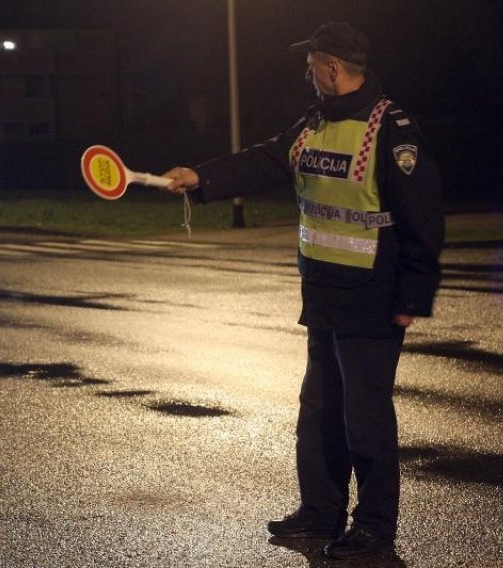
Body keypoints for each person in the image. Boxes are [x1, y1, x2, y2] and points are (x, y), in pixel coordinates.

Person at [162, 21, 443, 560]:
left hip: (371, 300)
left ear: (332, 68)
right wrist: (201, 178)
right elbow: (267, 159)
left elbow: (422, 216)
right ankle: (319, 514)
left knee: (366, 423)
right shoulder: (313, 124)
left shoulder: (391, 128)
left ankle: (375, 530)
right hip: (324, 296)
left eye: (311, 63)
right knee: (318, 415)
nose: (306, 72)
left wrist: (412, 297)